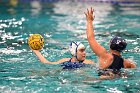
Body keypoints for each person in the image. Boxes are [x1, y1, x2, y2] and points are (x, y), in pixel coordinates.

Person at [84, 7, 136, 79]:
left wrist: (89, 21)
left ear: (111, 45)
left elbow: (90, 38)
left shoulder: (105, 56)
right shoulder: (128, 63)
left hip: (102, 80)